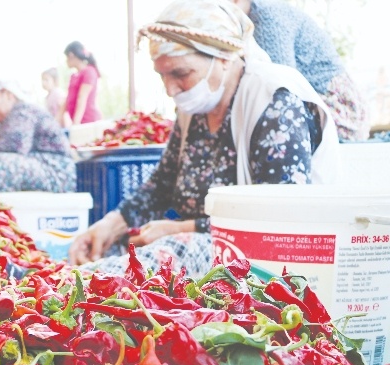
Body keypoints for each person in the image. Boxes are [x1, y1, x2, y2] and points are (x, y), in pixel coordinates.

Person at [68, 0, 339, 277]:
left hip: (270, 259)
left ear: (224, 56)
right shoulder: (195, 109)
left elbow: (278, 217)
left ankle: (78, 283)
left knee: (164, 254)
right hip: (206, 244)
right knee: (116, 251)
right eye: (162, 75)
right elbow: (161, 185)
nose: (171, 89)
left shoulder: (275, 101)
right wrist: (111, 224)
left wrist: (181, 229)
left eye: (180, 73)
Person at [232, 0, 369, 141]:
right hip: (314, 105)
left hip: (338, 111)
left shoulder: (267, 16)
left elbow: (280, 88)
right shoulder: (252, 17)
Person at [62, 41, 102, 126]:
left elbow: (82, 97)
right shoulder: (73, 76)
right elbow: (67, 100)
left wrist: (76, 123)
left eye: (66, 57)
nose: (66, 61)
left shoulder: (89, 71)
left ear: (71, 55)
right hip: (79, 122)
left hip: (88, 122)